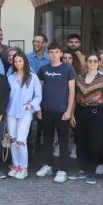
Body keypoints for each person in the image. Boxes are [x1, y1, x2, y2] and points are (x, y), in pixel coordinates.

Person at [36, 43, 76, 183]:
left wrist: (69, 110)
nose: (54, 54)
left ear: (61, 54)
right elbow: (39, 91)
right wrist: (38, 108)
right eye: (51, 52)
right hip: (46, 110)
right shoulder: (43, 69)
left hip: (62, 111)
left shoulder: (68, 69)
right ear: (48, 54)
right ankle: (47, 165)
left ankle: (62, 170)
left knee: (63, 141)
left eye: (56, 52)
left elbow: (72, 92)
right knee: (47, 139)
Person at [71, 54, 103, 185]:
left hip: (96, 112)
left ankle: (91, 171)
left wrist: (97, 100)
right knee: (80, 140)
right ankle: (82, 169)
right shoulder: (79, 78)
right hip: (80, 110)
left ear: (99, 63)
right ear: (86, 63)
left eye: (95, 61)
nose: (92, 63)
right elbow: (74, 97)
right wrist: (72, 114)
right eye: (90, 61)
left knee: (94, 141)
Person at [6, 52, 41, 180]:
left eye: (20, 61)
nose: (17, 63)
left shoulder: (33, 77)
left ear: (25, 62)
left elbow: (38, 95)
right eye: (15, 61)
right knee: (13, 140)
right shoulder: (10, 77)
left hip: (25, 112)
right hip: (11, 112)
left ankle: (23, 168)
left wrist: (31, 105)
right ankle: (16, 165)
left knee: (21, 140)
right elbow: (6, 95)